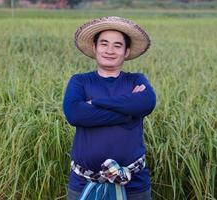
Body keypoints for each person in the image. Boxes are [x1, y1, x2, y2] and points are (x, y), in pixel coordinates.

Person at [63, 16, 156, 200]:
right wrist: (130, 113)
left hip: (133, 183)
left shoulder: (136, 79)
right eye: (104, 44)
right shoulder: (80, 81)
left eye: (117, 45)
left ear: (126, 51)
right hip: (84, 182)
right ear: (95, 47)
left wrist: (95, 103)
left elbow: (147, 103)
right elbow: (75, 114)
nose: (110, 50)